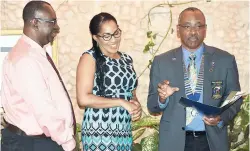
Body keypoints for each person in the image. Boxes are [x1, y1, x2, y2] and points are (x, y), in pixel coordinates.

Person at [147, 7, 242, 151]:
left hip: (212, 141)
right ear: (178, 30)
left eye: (198, 26)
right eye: (187, 26)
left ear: (205, 29)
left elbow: (235, 97)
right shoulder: (162, 62)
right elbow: (152, 106)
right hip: (174, 141)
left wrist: (220, 117)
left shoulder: (225, 60)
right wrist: (161, 98)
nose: (193, 32)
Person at [1, 1, 76, 151]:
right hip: (34, 144)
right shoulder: (25, 59)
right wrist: (69, 144)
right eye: (52, 22)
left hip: (38, 141)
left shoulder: (33, 53)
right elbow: (45, 111)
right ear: (35, 23)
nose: (56, 27)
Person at [76, 12, 142, 151]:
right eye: (106, 36)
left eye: (116, 33)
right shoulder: (89, 58)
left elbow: (131, 93)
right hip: (99, 132)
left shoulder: (126, 59)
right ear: (95, 37)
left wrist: (136, 106)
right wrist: (120, 102)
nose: (114, 40)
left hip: (123, 131)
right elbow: (83, 99)